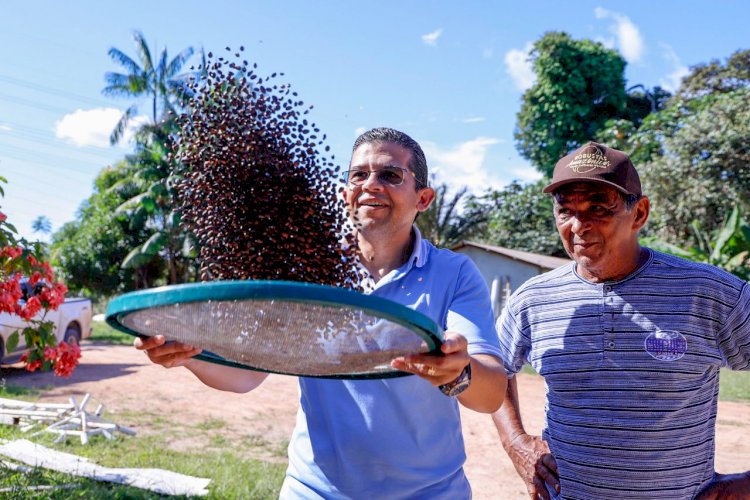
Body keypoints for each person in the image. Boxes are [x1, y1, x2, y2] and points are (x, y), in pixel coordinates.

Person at [136, 127, 508, 499]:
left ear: (423, 198)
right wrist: (189, 354)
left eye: (390, 175)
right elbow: (248, 376)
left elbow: (490, 394)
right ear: (345, 193)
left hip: (429, 492)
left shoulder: (454, 273)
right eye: (358, 175)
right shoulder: (308, 271)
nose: (370, 185)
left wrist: (459, 372)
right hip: (316, 490)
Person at [492, 141, 750, 499]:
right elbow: (494, 366)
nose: (578, 226)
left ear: (639, 214)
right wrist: (516, 442)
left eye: (598, 208)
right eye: (565, 211)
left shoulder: (707, 292)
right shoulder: (533, 299)